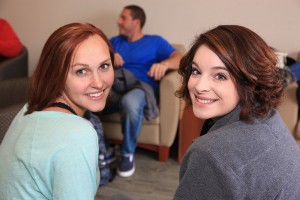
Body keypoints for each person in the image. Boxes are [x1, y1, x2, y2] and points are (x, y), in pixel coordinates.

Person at [174, 25, 300, 199]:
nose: (199, 86)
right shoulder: (270, 120)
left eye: (220, 76)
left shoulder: (211, 155)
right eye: (196, 71)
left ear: (250, 81)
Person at [0, 23, 115, 199]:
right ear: (57, 74)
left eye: (104, 66)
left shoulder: (30, 107)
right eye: (82, 71)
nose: (98, 83)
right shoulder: (78, 134)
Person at [103, 4, 182, 177]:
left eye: (123, 18)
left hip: (140, 88)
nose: (118, 21)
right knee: (87, 98)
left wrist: (165, 64)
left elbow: (180, 57)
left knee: (130, 102)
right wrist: (107, 57)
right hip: (115, 87)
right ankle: (100, 148)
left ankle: (126, 154)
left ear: (136, 22)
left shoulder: (155, 42)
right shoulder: (114, 42)